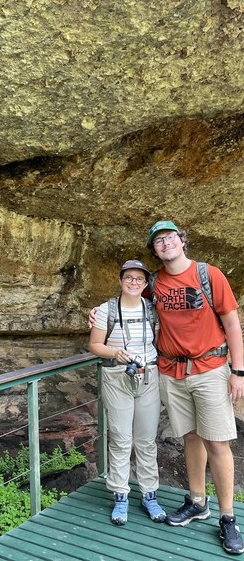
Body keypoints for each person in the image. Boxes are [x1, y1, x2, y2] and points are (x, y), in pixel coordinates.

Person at [89, 221, 244, 555]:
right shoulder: (154, 284)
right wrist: (96, 314)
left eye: (170, 237)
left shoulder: (209, 274)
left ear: (182, 240)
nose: (165, 243)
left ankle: (228, 517)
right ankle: (198, 501)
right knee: (190, 437)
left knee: (217, 442)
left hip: (210, 368)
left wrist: (239, 371)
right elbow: (127, 298)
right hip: (171, 371)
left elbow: (232, 321)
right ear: (155, 249)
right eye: (158, 241)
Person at [88, 259, 166, 526]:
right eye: (129, 277)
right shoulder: (105, 310)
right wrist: (116, 353)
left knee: (146, 440)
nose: (134, 282)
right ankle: (120, 495)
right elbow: (95, 345)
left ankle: (149, 494)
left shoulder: (152, 310)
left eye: (140, 279)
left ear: (146, 284)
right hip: (117, 376)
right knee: (121, 439)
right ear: (121, 280)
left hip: (148, 376)